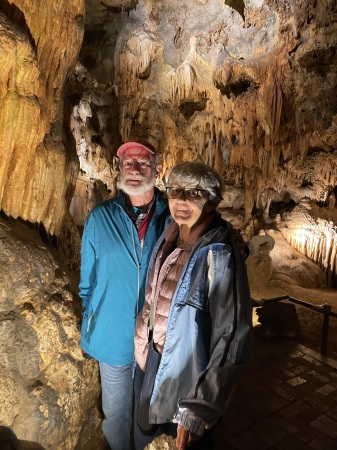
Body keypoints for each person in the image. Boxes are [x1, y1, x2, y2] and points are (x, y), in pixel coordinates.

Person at [133, 161, 253, 450]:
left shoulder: (221, 254)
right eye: (176, 191)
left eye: (194, 193)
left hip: (189, 379)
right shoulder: (170, 234)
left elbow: (232, 335)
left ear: (210, 202)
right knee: (147, 434)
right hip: (152, 361)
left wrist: (199, 406)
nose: (182, 200)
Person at [79, 138, 169, 450]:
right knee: (115, 416)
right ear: (119, 168)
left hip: (155, 341)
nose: (134, 168)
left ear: (156, 170)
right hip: (111, 338)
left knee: (149, 414)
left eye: (142, 162)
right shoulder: (100, 218)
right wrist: (88, 332)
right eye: (128, 162)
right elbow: (87, 284)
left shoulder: (172, 221)